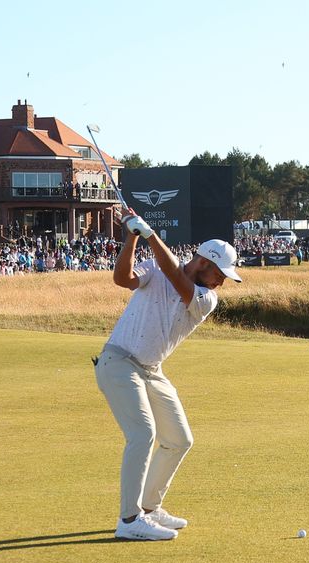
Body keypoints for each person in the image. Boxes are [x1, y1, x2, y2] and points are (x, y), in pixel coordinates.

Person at [95, 210, 241, 541]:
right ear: (205, 262)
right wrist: (132, 236)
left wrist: (149, 234)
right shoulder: (158, 269)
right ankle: (129, 520)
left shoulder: (207, 298)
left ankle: (149, 507)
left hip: (151, 370)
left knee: (179, 440)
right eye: (222, 274)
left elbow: (176, 277)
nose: (223, 282)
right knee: (143, 433)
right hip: (118, 362)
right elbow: (123, 279)